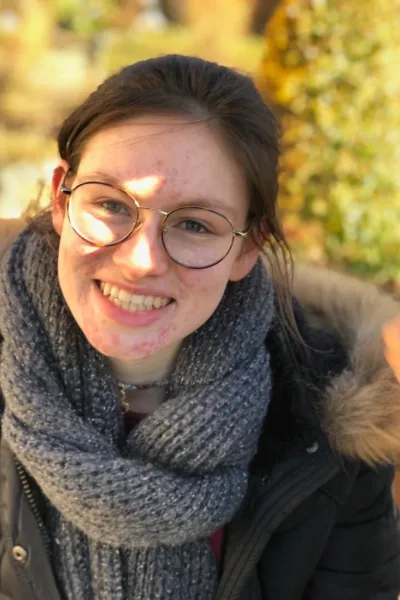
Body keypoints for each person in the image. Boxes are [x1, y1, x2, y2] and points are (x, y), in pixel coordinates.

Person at [0, 54, 399, 600]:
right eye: (110, 204)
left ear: (248, 249)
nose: (141, 261)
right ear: (59, 198)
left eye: (193, 224)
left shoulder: (333, 427)